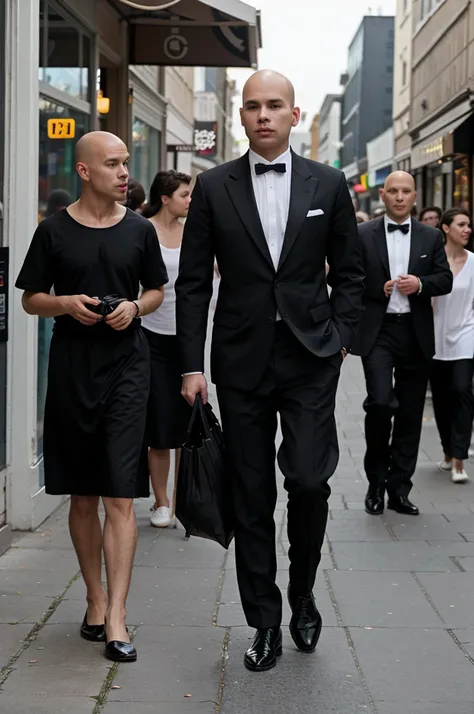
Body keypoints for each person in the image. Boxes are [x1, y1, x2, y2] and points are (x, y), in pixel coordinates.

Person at [175, 70, 364, 672]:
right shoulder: (212, 186)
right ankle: (263, 619)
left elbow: (351, 273)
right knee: (250, 493)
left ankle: (304, 590)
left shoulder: (330, 184)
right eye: (252, 106)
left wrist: (340, 340)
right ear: (241, 116)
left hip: (311, 357)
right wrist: (190, 365)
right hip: (241, 359)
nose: (263, 115)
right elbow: (194, 283)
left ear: (294, 114)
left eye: (274, 106)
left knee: (308, 481)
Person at [15, 131, 168, 663]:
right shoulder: (53, 231)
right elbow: (32, 299)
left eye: (127, 163)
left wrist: (136, 308)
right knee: (82, 494)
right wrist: (66, 304)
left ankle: (118, 618)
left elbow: (155, 288)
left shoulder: (140, 229)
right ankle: (95, 598)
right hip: (73, 367)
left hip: (129, 366)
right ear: (84, 172)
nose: (125, 172)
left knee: (120, 494)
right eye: (113, 164)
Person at [352, 171, 453, 517]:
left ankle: (399, 489)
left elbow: (445, 279)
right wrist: (374, 288)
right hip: (378, 331)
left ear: (414, 197)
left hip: (415, 331)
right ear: (382, 194)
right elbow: (348, 277)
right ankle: (375, 482)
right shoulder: (363, 233)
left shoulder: (430, 236)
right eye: (392, 191)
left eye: (405, 191)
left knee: (410, 414)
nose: (398, 197)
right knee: (381, 403)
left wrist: (421, 284)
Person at [140, 171, 192, 528]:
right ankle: (162, 501)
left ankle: (185, 502)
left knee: (187, 425)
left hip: (188, 337)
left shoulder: (196, 232)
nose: (190, 200)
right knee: (159, 422)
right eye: (185, 195)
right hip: (151, 335)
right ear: (165, 198)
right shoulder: (143, 231)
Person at [431, 208, 474, 483]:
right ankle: (448, 451)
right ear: (446, 228)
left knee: (461, 392)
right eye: (461, 224)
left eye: (469, 225)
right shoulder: (433, 263)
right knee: (441, 398)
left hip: (466, 336)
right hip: (434, 339)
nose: (467, 229)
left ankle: (459, 459)